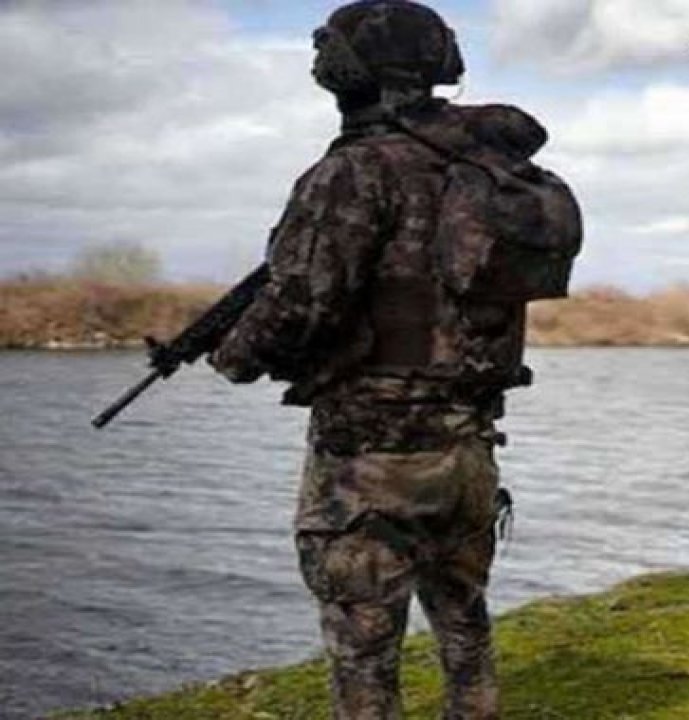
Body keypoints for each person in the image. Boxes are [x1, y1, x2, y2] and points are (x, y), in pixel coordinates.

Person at [209, 2, 581, 717]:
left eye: (327, 49)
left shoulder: (355, 170)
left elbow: (301, 303)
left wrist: (235, 353)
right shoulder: (486, 167)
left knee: (364, 644)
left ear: (349, 69)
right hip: (469, 449)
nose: (318, 60)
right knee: (462, 616)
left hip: (372, 458)